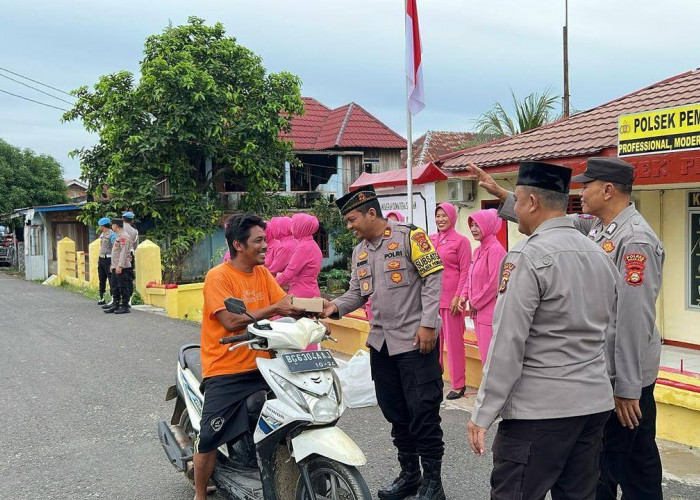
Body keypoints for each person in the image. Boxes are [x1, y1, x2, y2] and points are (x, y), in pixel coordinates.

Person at [468, 157, 665, 500]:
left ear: (608, 189)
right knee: (616, 472)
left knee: (632, 472)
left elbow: (633, 320)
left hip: (619, 382)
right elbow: (558, 219)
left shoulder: (634, 240)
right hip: (595, 390)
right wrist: (505, 194)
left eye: (586, 186)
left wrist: (627, 386)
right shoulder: (599, 236)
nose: (581, 192)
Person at [321, 186, 446, 500]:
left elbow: (433, 278)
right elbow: (356, 293)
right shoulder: (359, 252)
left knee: (424, 412)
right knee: (396, 413)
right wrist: (333, 307)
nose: (349, 226)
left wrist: (428, 324)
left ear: (371, 213)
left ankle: (434, 485)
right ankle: (410, 477)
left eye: (352, 219)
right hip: (382, 345)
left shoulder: (409, 237)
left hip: (417, 343)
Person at [193, 213, 304, 500]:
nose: (266, 245)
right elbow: (230, 321)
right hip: (225, 368)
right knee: (208, 438)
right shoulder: (218, 277)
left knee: (295, 415)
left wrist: (318, 310)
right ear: (238, 245)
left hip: (264, 365)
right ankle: (200, 493)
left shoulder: (262, 274)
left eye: (265, 239)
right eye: (259, 240)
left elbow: (286, 302)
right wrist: (274, 308)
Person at [429, 203, 471, 400]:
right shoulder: (431, 240)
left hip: (452, 301)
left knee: (454, 345)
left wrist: (459, 296)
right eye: (438, 216)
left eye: (444, 216)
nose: (440, 219)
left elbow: (465, 271)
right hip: (432, 300)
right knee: (433, 345)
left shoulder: (461, 241)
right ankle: (435, 379)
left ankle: (458, 384)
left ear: (452, 217)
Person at [460, 209, 506, 366]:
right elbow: (470, 276)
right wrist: (463, 296)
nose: (473, 229)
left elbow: (495, 283)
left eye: (477, 225)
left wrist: (475, 302)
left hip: (490, 314)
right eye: (472, 225)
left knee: (491, 359)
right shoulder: (478, 250)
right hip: (478, 312)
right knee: (485, 357)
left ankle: (491, 390)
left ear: (488, 225)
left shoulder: (496, 250)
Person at [365, 210, 405, 321]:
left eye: (396, 222)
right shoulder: (372, 247)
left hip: (398, 307)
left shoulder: (405, 247)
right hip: (374, 304)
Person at [275, 213, 323, 298]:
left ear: (300, 227)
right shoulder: (313, 245)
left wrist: (270, 285)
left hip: (301, 294)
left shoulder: (304, 247)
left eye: (294, 225)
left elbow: (289, 274)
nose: (291, 228)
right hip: (311, 290)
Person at [104, 218, 133, 314]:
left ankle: (125, 306)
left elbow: (123, 253)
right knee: (115, 286)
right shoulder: (118, 236)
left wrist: (120, 266)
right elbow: (116, 253)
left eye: (112, 225)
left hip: (123, 267)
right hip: (115, 266)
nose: (112, 227)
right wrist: (113, 265)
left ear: (115, 226)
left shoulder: (124, 237)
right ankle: (115, 305)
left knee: (123, 287)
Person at [97, 217, 116, 306]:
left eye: (100, 225)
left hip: (109, 259)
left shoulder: (112, 234)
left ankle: (113, 298)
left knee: (111, 278)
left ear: (103, 225)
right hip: (101, 258)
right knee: (101, 278)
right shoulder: (102, 234)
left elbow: (115, 248)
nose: (99, 227)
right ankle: (102, 297)